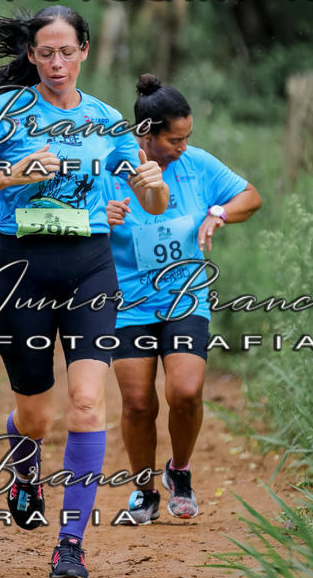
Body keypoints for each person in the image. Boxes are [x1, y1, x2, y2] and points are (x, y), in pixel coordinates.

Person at [0, 8, 168, 578]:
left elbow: (155, 203)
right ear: (32, 56)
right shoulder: (3, 114)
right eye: (45, 53)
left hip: (91, 267)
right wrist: (13, 175)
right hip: (21, 267)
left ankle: (71, 545)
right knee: (37, 418)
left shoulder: (106, 119)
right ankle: (24, 469)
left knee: (89, 404)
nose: (57, 63)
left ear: (85, 51)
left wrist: (151, 185)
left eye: (67, 52)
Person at [105, 74, 261, 525]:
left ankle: (180, 471)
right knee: (138, 404)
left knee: (187, 392)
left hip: (184, 298)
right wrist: (104, 215)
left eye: (188, 137)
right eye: (174, 139)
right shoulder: (113, 168)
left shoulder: (199, 165)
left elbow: (251, 197)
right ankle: (144, 490)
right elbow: (83, 215)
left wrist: (219, 212)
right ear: (146, 134)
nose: (182, 146)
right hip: (128, 301)